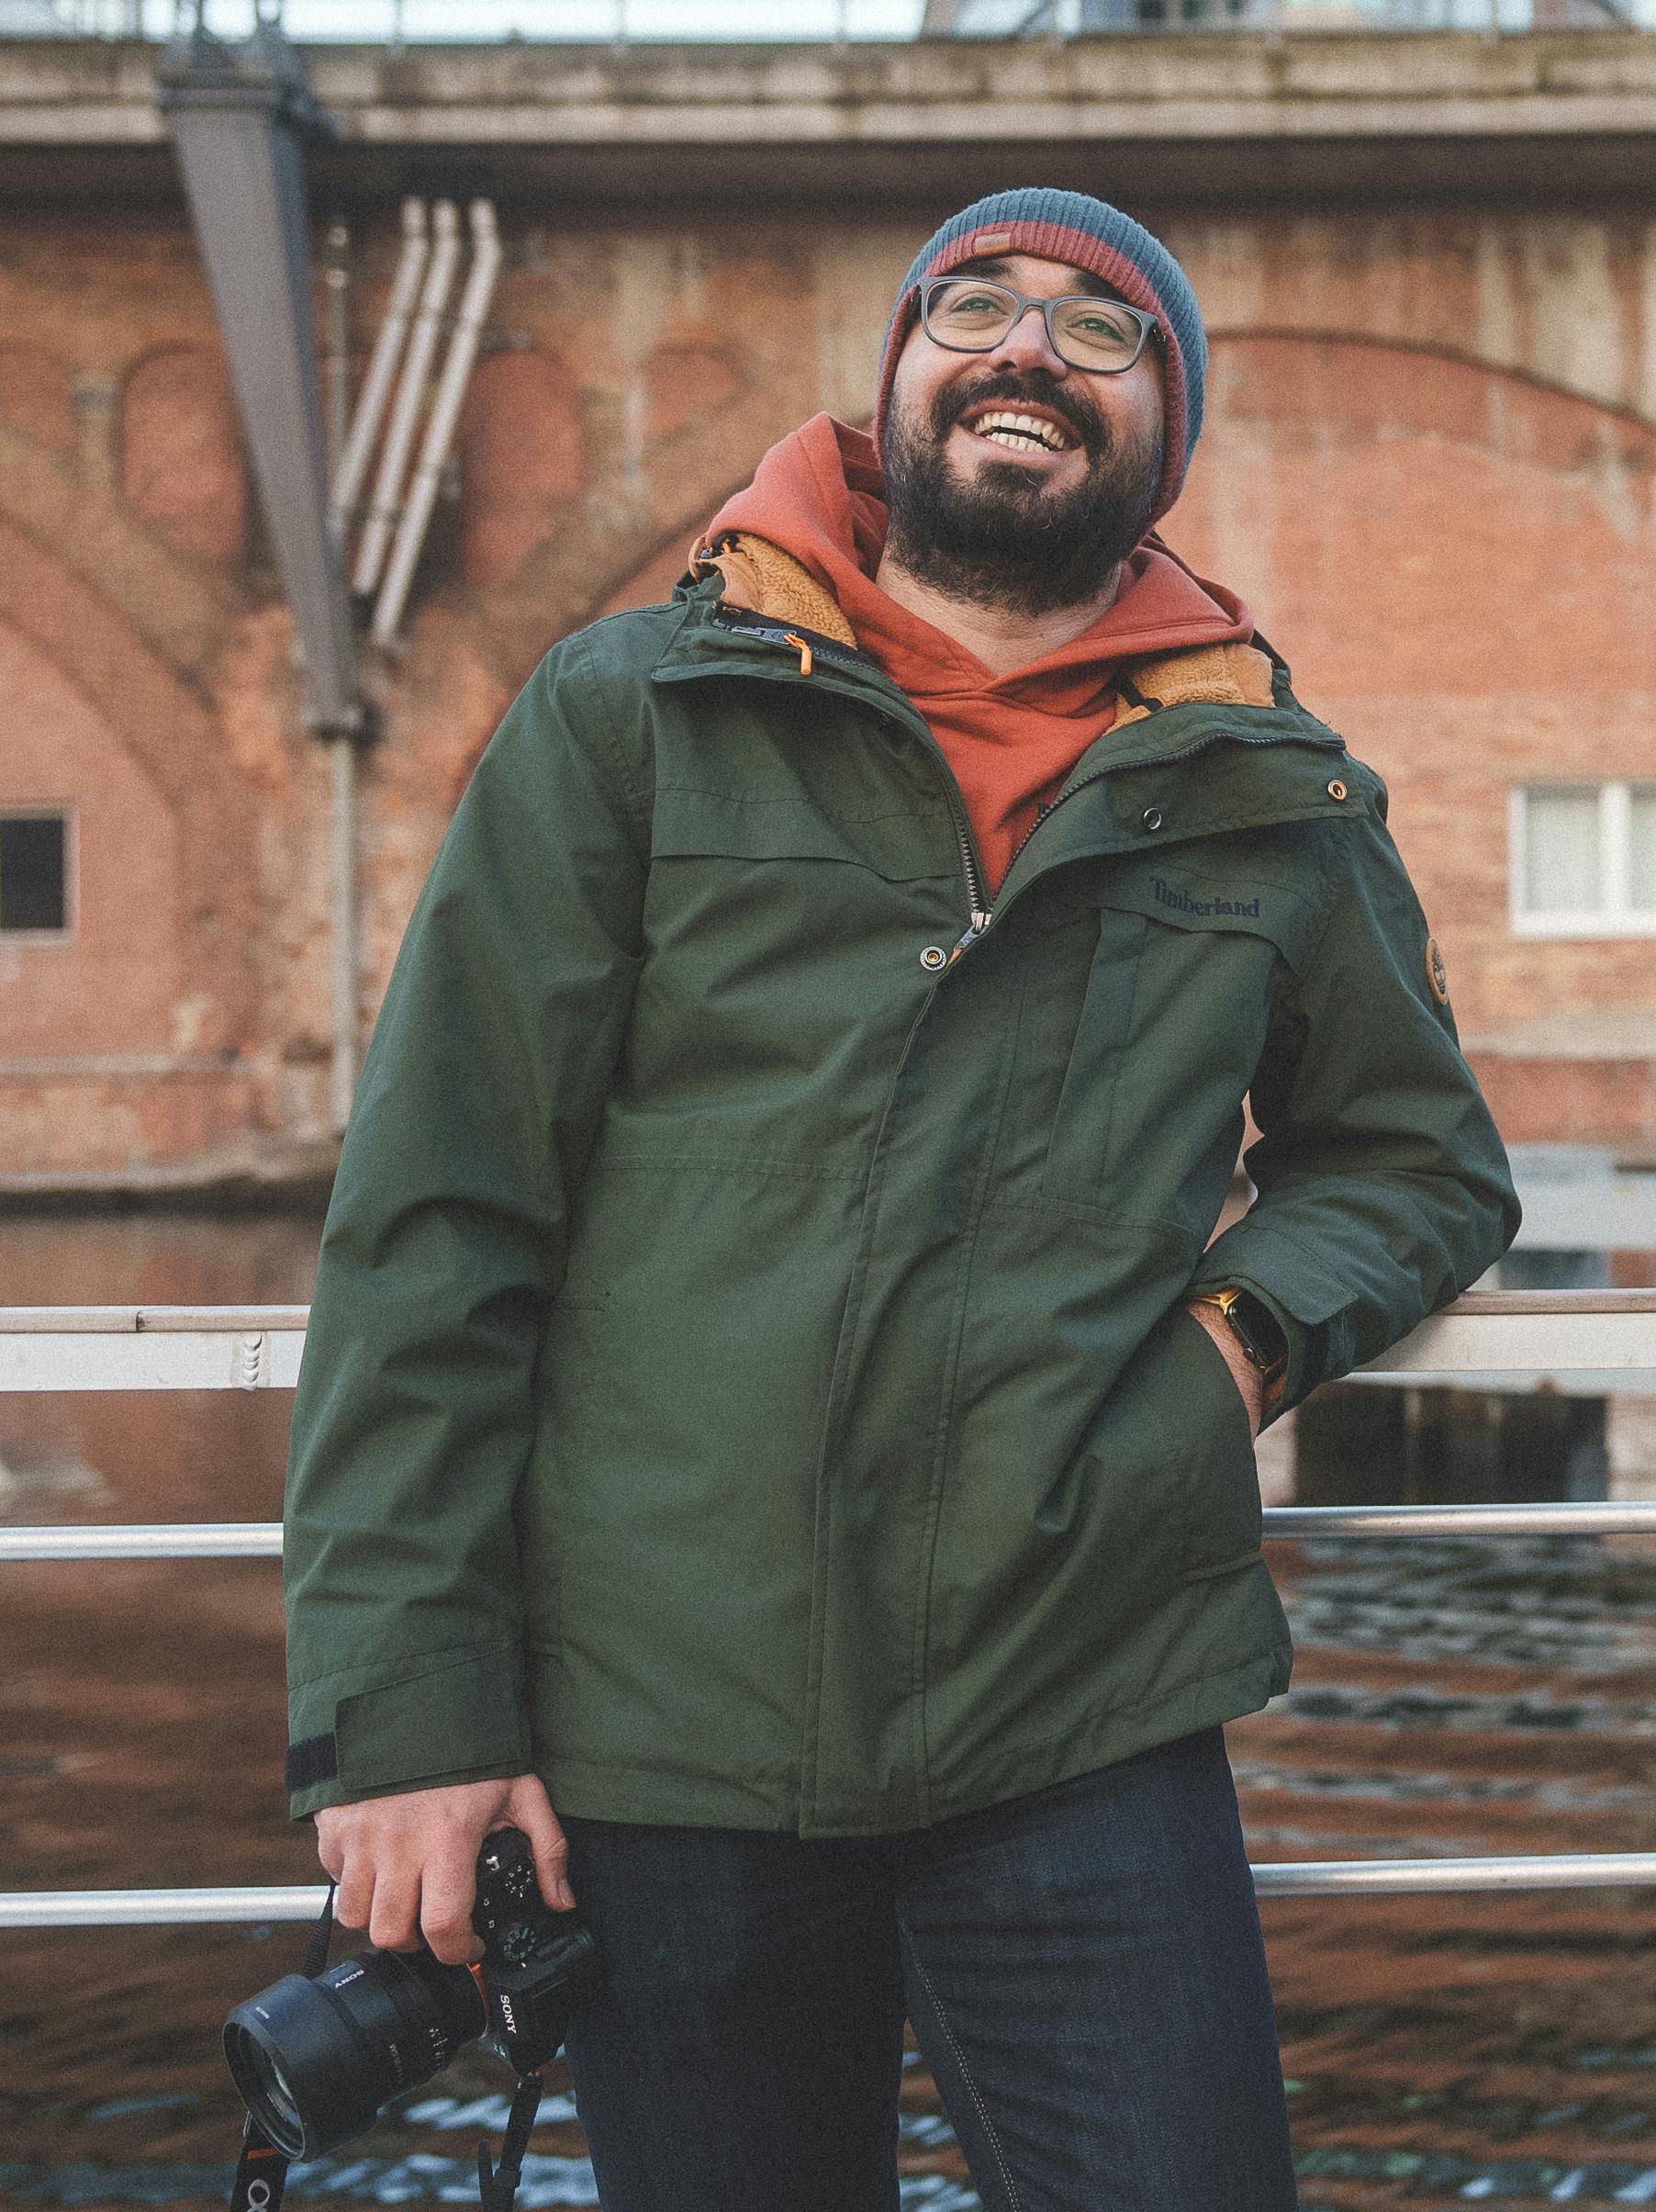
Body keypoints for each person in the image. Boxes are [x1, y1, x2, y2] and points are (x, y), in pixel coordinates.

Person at [281, 187, 1517, 2210]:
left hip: (1082, 1693)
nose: (1029, 345)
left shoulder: (1266, 792)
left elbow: (1411, 1156)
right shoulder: (634, 717)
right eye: (977, 304)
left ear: (1162, 434)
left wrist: (1231, 1350)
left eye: (1102, 329)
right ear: (898, 382)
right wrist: (408, 1718)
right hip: (660, 1736)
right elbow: (440, 1221)